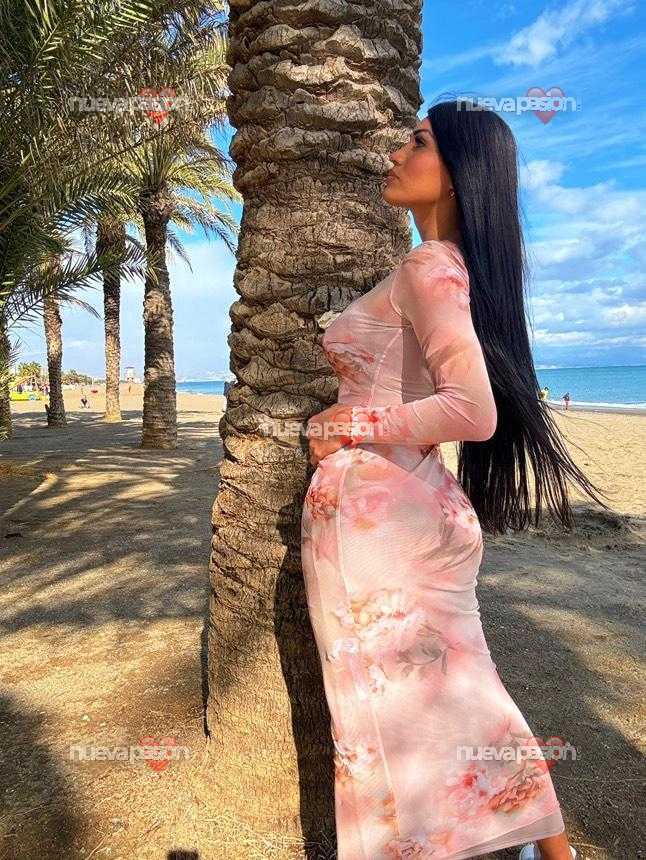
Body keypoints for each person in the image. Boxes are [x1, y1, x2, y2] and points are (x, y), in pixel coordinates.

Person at [302, 101, 610, 860]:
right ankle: (554, 850)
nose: (396, 152)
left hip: (383, 517)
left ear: (457, 172)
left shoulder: (428, 268)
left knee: (379, 709)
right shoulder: (446, 269)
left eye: (418, 141)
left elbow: (472, 411)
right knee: (466, 691)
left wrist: (346, 423)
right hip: (417, 504)